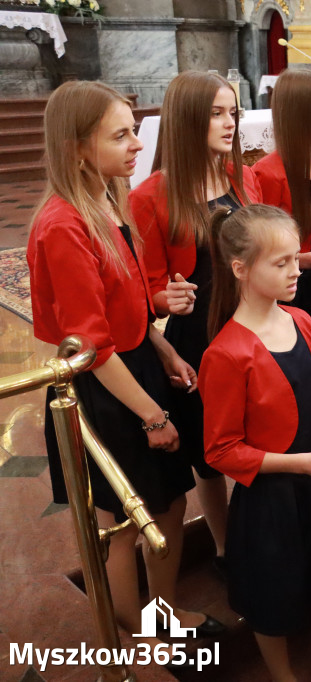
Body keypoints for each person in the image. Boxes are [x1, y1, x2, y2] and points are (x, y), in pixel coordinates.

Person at [29, 79, 209, 649]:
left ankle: (160, 610)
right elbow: (92, 346)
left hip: (135, 365)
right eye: (122, 134)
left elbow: (124, 303)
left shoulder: (107, 202)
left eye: (134, 129)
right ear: (79, 147)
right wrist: (154, 415)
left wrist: (165, 346)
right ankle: (138, 628)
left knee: (168, 501)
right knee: (125, 522)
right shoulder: (64, 225)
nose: (137, 143)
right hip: (105, 387)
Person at [200, 205, 311, 681]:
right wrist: (303, 464)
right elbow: (220, 450)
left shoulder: (300, 320)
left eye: (294, 258)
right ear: (240, 269)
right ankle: (283, 674)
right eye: (279, 263)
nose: (295, 270)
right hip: (273, 494)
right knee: (272, 592)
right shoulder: (227, 352)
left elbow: (291, 397)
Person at [130, 70, 262, 572]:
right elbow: (146, 291)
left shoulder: (241, 177)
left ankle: (263, 534)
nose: (228, 123)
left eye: (232, 112)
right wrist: (167, 298)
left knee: (259, 434)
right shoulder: (152, 195)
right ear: (187, 120)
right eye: (215, 113)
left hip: (249, 325)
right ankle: (227, 546)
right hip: (200, 337)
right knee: (211, 452)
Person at [253, 68, 311, 310]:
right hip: (290, 293)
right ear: (299, 115)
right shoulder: (268, 174)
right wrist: (308, 260)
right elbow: (259, 254)